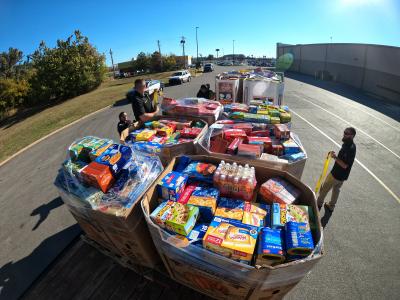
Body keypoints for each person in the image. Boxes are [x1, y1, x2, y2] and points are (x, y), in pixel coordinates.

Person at [317, 127, 357, 212]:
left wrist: (334, 157)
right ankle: (331, 206)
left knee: (324, 188)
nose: (344, 134)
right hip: (343, 176)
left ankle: (318, 204)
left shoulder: (349, 148)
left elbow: (344, 165)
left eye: (346, 133)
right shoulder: (350, 145)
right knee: (336, 190)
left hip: (336, 174)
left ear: (352, 136)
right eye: (344, 132)